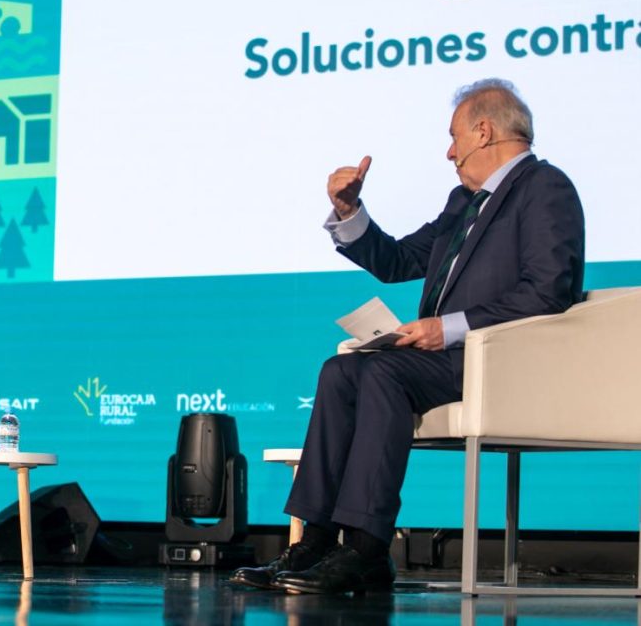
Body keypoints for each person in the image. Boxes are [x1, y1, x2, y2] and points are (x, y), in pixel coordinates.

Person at [231, 79, 585, 594]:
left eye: (454, 137)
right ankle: (317, 540)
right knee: (340, 371)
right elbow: (398, 260)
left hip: (502, 361)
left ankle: (367, 549)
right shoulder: (464, 203)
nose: (450, 153)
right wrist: (349, 212)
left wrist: (449, 327)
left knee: (384, 372)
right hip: (448, 360)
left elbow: (548, 291)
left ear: (484, 131)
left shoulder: (545, 188)